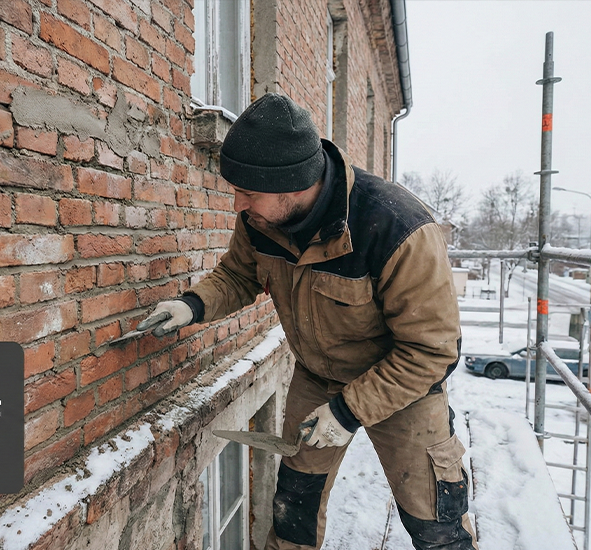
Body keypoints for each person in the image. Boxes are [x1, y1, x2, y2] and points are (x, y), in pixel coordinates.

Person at [137, 93, 477, 550]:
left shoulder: (397, 228)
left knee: (437, 524)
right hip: (318, 377)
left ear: (293, 186)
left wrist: (349, 411)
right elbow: (238, 275)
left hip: (403, 387)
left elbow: (432, 350)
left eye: (248, 193)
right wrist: (192, 305)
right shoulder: (260, 219)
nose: (238, 204)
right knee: (293, 510)